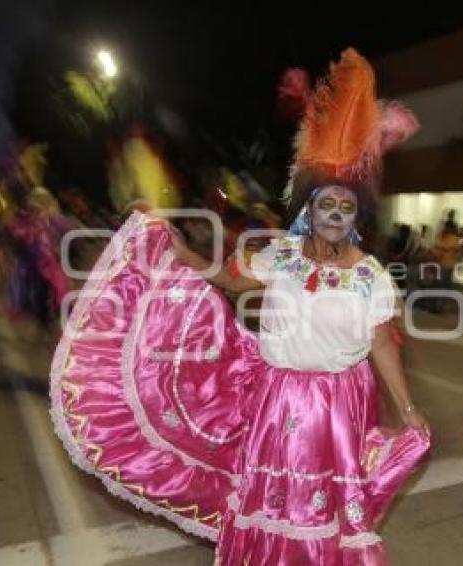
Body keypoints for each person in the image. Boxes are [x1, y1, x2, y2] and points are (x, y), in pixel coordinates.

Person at [51, 49, 429, 565]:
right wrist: (184, 255)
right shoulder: (282, 255)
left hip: (339, 406)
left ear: (356, 214)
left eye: (346, 207)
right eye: (327, 205)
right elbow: (231, 280)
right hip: (277, 398)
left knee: (324, 510)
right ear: (310, 210)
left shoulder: (372, 276)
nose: (336, 214)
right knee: (275, 505)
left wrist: (406, 408)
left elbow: (383, 341)